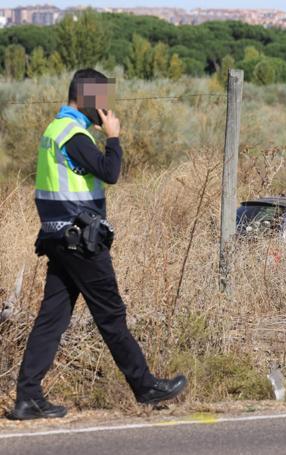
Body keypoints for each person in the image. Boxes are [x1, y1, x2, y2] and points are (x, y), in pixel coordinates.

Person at [7, 69, 187, 421]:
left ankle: (28, 398)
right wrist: (114, 137)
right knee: (111, 315)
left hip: (59, 238)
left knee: (51, 320)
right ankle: (145, 385)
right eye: (101, 100)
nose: (105, 107)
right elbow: (111, 172)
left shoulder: (54, 129)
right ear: (87, 98)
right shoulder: (74, 134)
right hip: (79, 241)